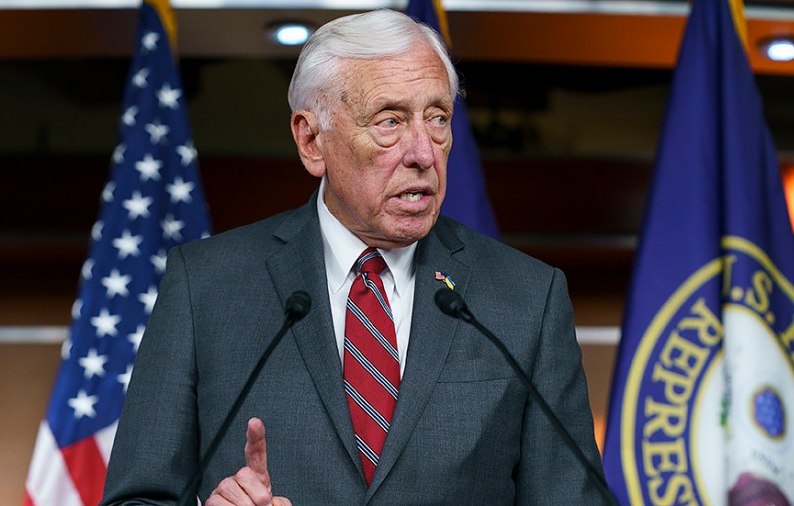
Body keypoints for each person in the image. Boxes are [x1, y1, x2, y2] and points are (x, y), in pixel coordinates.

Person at [101, 8, 605, 506]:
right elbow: (136, 498)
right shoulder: (205, 287)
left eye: (438, 119)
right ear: (311, 140)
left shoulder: (526, 298)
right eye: (390, 121)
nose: (423, 152)